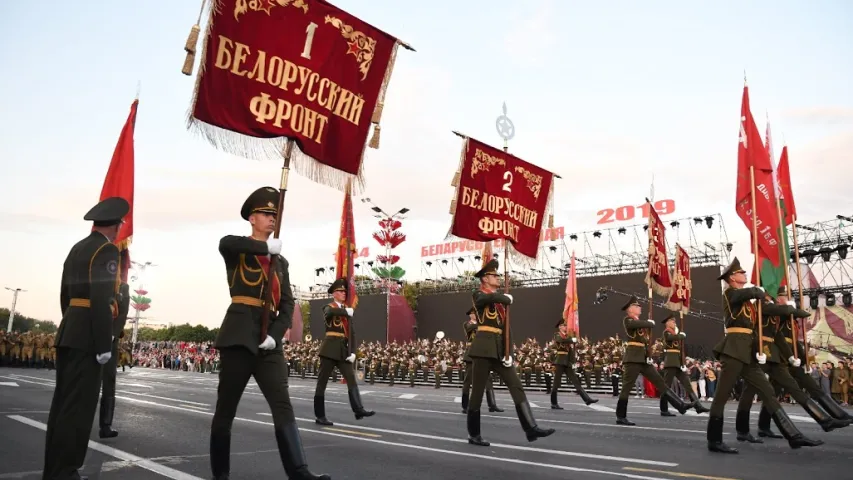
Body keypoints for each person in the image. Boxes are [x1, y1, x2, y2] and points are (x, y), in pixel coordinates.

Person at [210, 187, 329, 480]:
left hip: (268, 341)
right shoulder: (239, 249)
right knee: (226, 409)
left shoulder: (281, 263)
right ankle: (221, 473)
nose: (271, 219)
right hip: (238, 336)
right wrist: (265, 249)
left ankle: (299, 471)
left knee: (282, 404)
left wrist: (276, 335)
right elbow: (225, 243)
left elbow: (288, 303)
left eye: (274, 215)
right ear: (252, 218)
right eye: (265, 214)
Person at [43, 196, 128, 480]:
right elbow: (101, 299)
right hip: (89, 338)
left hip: (70, 330)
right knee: (79, 410)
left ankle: (54, 469)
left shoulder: (78, 248)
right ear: (116, 226)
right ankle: (66, 471)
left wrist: (71, 323)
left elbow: (65, 295)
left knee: (62, 406)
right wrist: (104, 344)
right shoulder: (106, 251)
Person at [706, 257, 820, 454]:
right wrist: (756, 291)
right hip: (733, 351)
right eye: (741, 273)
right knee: (721, 396)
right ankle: (714, 440)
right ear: (732, 277)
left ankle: (793, 435)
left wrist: (760, 349)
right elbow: (743, 295)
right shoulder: (730, 293)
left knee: (768, 391)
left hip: (748, 353)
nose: (744, 275)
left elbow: (757, 325)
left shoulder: (748, 303)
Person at [736, 286, 849, 442]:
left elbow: (785, 339)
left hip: (777, 356)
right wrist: (793, 310)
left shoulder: (778, 311)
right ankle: (743, 429)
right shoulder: (762, 305)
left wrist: (799, 359)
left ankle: (826, 420)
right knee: (749, 392)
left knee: (791, 388)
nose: (781, 298)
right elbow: (780, 314)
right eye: (781, 295)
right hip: (759, 353)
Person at [466, 259, 555, 446]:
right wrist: (503, 297)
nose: (498, 278)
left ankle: (531, 428)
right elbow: (483, 299)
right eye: (494, 275)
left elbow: (507, 330)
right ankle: (474, 434)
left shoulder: (500, 304)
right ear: (484, 279)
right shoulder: (478, 295)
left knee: (516, 386)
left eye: (498, 275)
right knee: (477, 393)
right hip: (483, 350)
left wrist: (510, 354)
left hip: (499, 351)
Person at [616, 296, 689, 425]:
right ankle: (620, 416)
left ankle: (680, 405)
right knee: (626, 388)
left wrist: (648, 354)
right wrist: (650, 323)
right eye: (637, 306)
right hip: (632, 359)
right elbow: (640, 325)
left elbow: (644, 340)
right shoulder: (627, 320)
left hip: (643, 359)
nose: (640, 308)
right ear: (631, 309)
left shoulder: (639, 323)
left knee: (660, 383)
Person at [313, 278, 375, 425]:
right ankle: (320, 416)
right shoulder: (329, 307)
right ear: (334, 293)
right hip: (329, 349)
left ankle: (358, 409)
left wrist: (353, 352)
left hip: (342, 350)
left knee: (351, 379)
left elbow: (352, 333)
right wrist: (346, 311)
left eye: (344, 291)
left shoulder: (348, 312)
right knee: (322, 383)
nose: (343, 293)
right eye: (340, 291)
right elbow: (329, 313)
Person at [98, 266, 130, 438]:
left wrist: (111, 335)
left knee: (109, 383)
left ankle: (105, 425)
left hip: (110, 340)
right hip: (91, 335)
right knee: (86, 382)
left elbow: (123, 312)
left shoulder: (123, 288)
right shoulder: (97, 282)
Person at [659, 314, 710, 416]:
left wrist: (683, 363)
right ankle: (663, 409)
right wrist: (681, 335)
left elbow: (680, 350)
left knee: (687, 385)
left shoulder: (675, 334)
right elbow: (670, 338)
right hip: (670, 363)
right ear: (667, 323)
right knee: (666, 387)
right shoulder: (666, 333)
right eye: (672, 321)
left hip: (678, 363)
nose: (674, 323)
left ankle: (698, 406)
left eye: (675, 321)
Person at [461, 307, 503, 413]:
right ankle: (465, 406)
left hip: (482, 354)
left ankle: (492, 405)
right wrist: (484, 324)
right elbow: (471, 328)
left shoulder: (482, 324)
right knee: (468, 381)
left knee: (488, 380)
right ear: (471, 315)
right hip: (471, 355)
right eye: (474, 313)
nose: (475, 315)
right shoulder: (467, 324)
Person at [550, 320, 598, 409]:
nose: (565, 327)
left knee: (576, 381)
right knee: (556, 383)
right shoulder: (557, 335)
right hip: (560, 361)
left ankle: (587, 399)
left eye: (566, 325)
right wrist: (572, 339)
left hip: (567, 362)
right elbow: (561, 340)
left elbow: (571, 352)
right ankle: (554, 403)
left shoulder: (567, 337)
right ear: (560, 327)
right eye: (564, 326)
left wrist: (573, 362)